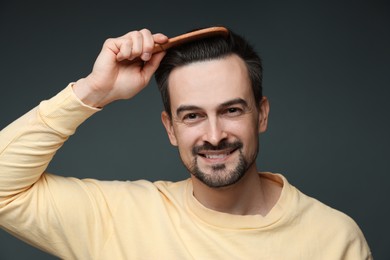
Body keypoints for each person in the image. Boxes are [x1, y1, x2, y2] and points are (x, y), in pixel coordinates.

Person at [0, 27, 372, 259]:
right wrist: (94, 90)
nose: (213, 135)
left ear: (261, 114)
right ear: (170, 128)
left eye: (231, 110)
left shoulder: (334, 238)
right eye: (192, 115)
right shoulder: (115, 219)